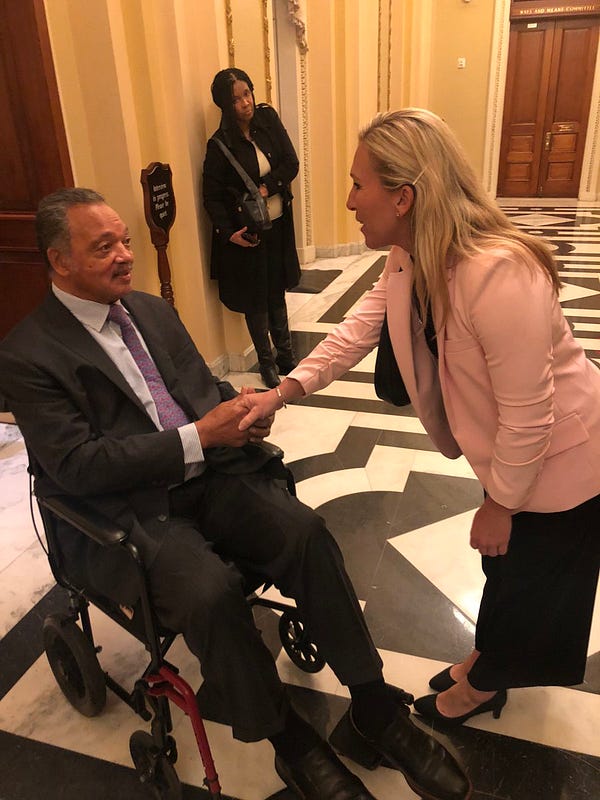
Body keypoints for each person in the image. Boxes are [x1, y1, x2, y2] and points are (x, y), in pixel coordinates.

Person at [0, 188, 471, 800]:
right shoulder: (28, 354)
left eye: (124, 241)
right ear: (59, 261)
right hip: (127, 513)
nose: (124, 256)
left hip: (210, 476)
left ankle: (375, 705)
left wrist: (239, 409)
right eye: (103, 247)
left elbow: (198, 384)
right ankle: (290, 741)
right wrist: (197, 435)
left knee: (305, 532)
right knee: (211, 591)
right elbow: (76, 465)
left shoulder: (149, 310)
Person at [239, 108, 600, 727]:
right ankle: (487, 654)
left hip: (566, 461)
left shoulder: (498, 273)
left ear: (403, 196)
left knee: (531, 583)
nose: (349, 200)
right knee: (505, 569)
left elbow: (530, 412)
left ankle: (485, 684)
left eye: (358, 184)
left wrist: (501, 502)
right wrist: (280, 392)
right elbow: (357, 331)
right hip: (516, 457)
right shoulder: (411, 257)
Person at [203, 67, 300, 389]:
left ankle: (286, 355)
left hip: (279, 223)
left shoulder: (267, 121)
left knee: (277, 290)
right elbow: (211, 195)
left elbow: (291, 162)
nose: (245, 103)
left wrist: (266, 187)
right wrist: (228, 232)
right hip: (249, 234)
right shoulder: (219, 146)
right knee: (256, 300)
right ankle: (268, 363)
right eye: (235, 99)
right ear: (224, 106)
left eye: (247, 93)